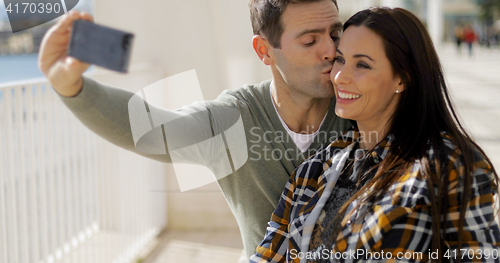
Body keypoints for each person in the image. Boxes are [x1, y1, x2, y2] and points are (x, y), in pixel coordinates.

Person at [38, 0, 351, 260]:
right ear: (264, 51)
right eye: (310, 40)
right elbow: (154, 129)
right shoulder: (236, 118)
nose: (330, 50)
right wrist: (70, 86)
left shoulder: (363, 110)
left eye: (336, 34)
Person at [250, 7, 500, 263]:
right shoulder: (312, 172)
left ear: (402, 78)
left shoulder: (447, 165)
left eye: (362, 65)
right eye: (340, 59)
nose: (339, 76)